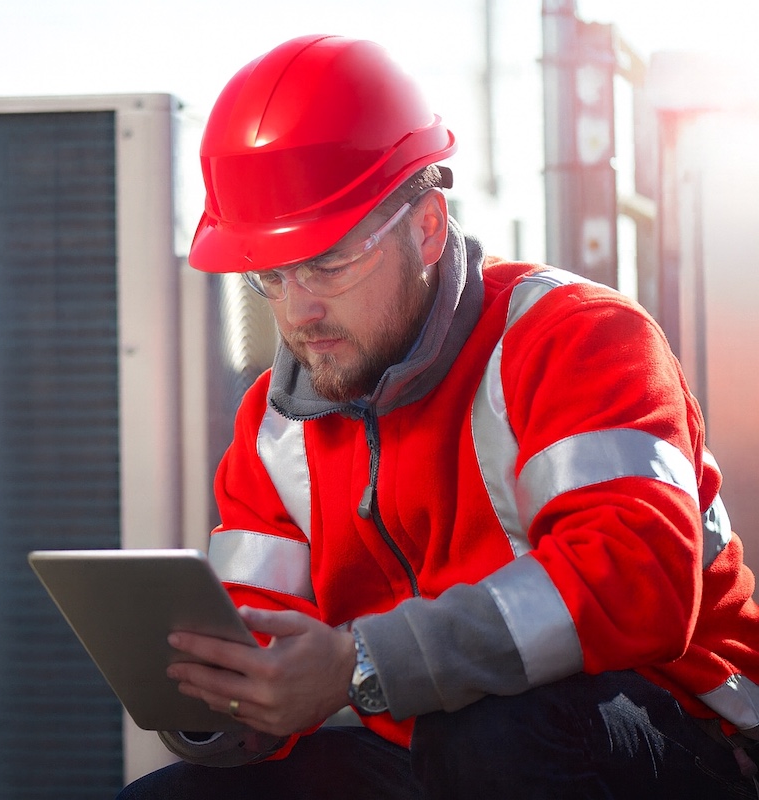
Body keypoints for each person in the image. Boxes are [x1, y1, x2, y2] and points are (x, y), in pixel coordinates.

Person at [118, 34, 759, 799]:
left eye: (327, 261)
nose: (299, 310)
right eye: (272, 275)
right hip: (420, 746)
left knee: (492, 734)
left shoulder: (576, 339)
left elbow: (635, 581)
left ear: (425, 226)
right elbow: (269, 641)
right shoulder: (275, 422)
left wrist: (362, 661)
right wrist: (224, 704)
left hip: (675, 735)